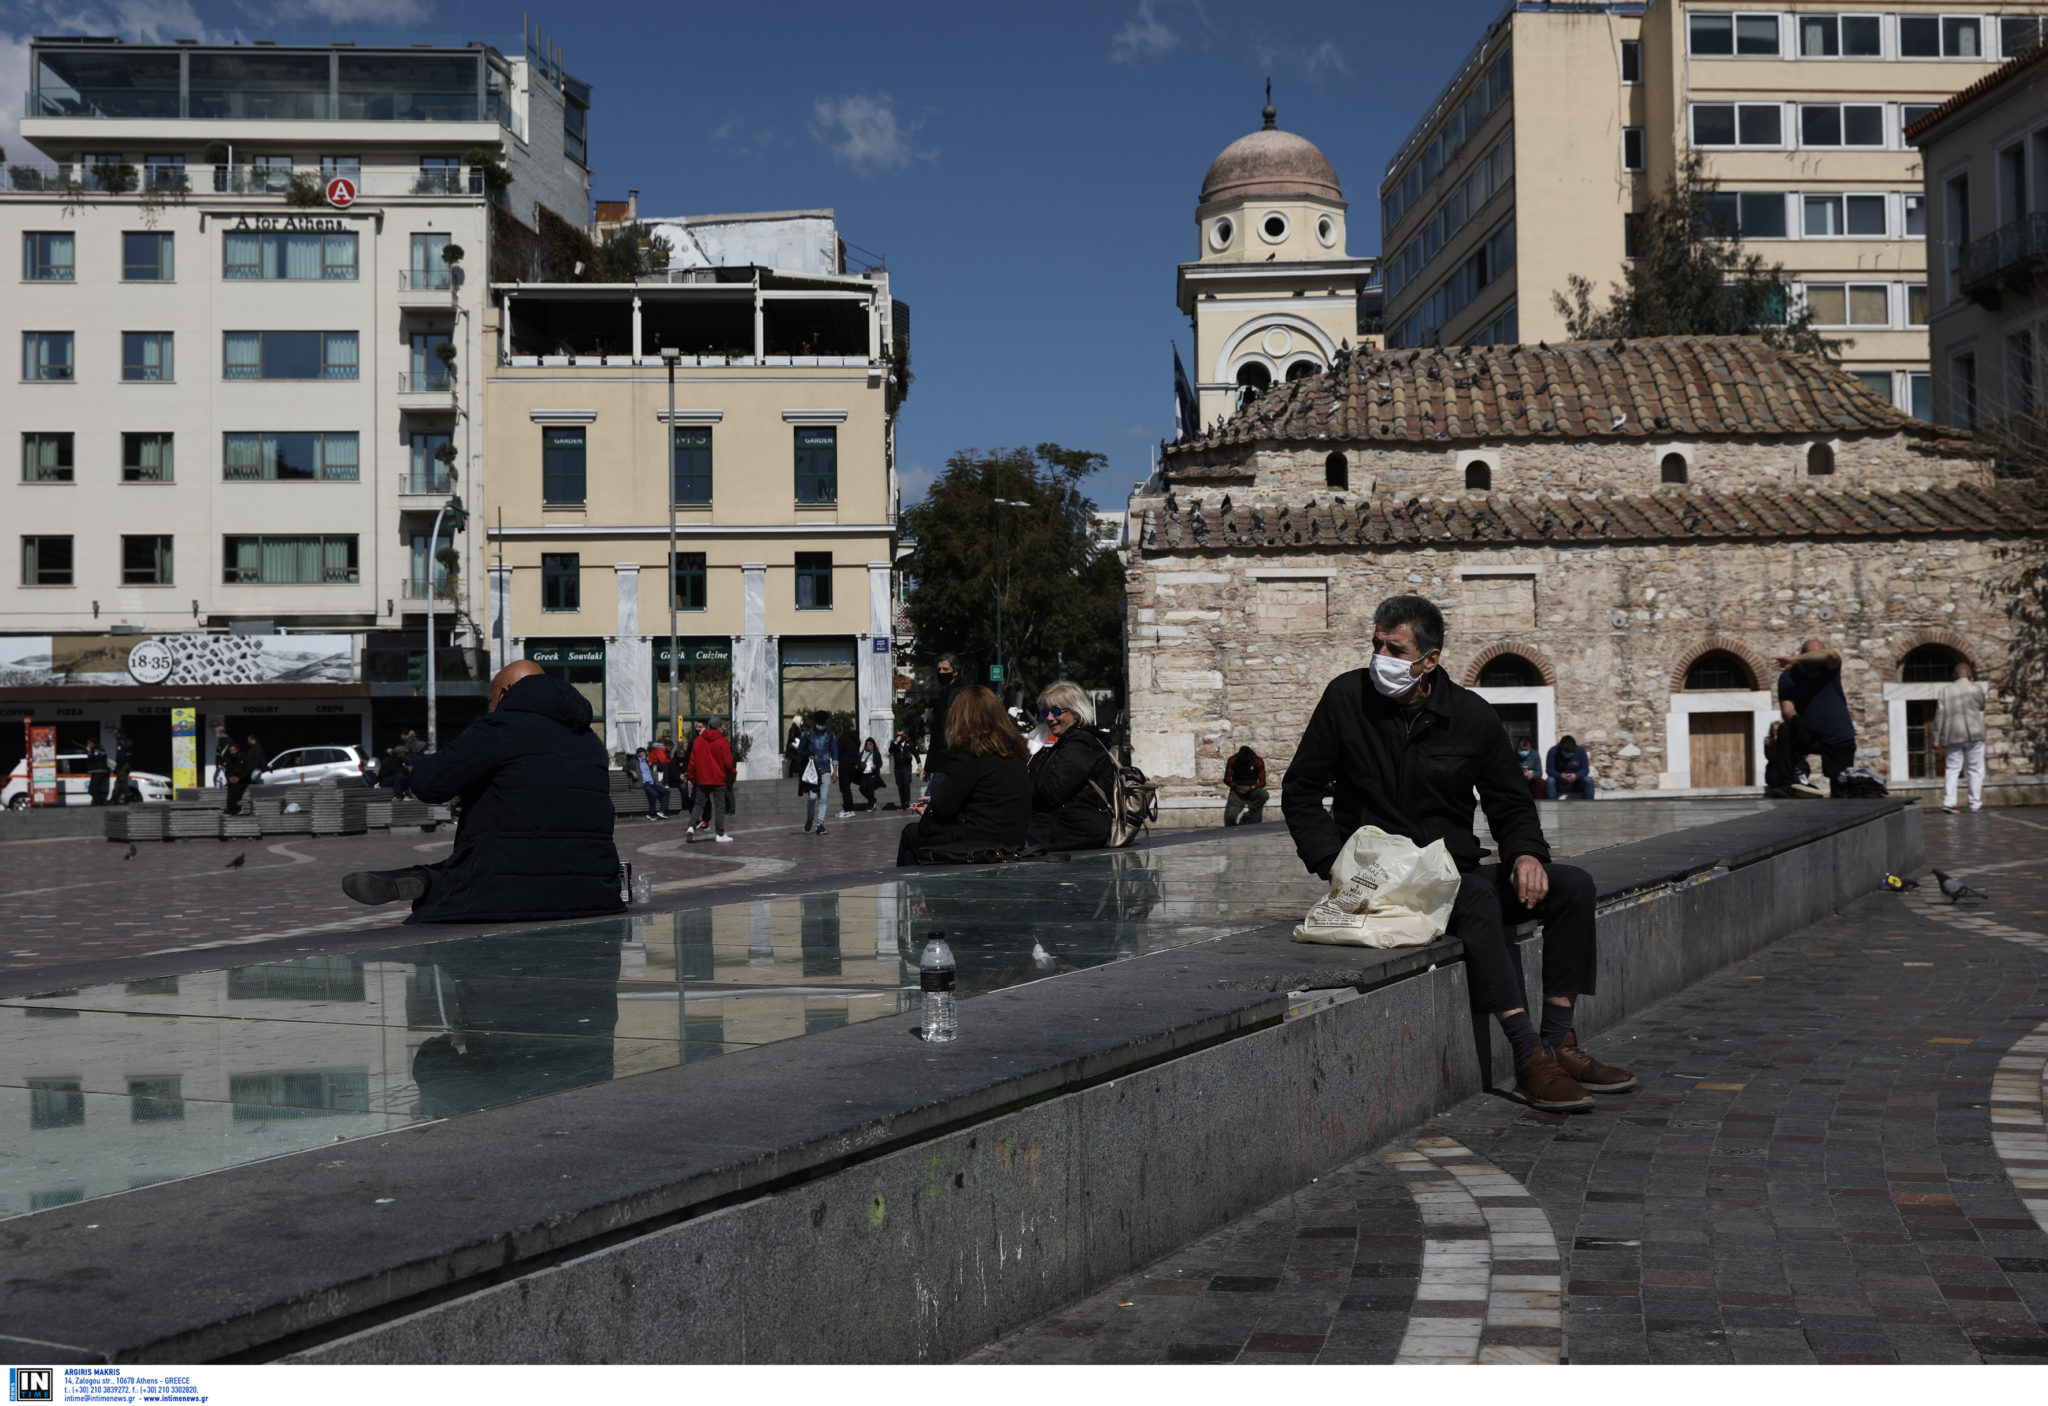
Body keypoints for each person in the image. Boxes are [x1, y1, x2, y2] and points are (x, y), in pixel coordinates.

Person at [1281, 594, 1634, 1113]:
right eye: (1376, 643)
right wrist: (1334, 867)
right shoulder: (1345, 698)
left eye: (1394, 647)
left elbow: (1510, 803)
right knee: (1474, 899)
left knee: (1573, 886)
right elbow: (1301, 790)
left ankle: (1560, 1041)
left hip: (1449, 870)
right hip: (1382, 880)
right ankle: (1528, 1056)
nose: (1379, 654)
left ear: (1430, 658)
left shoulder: (1471, 715)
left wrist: (1526, 857)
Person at [341, 660, 623, 922]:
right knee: (485, 859)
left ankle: (425, 879)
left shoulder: (501, 726)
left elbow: (427, 784)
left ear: (505, 693)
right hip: (597, 891)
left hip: (506, 894)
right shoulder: (590, 741)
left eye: (491, 701)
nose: (491, 708)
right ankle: (425, 877)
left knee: (431, 918)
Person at [898, 685, 1031, 865]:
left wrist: (933, 806)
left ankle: (911, 888)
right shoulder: (1013, 748)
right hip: (1013, 837)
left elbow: (946, 807)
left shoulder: (970, 752)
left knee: (911, 833)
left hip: (979, 842)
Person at [1026, 681, 1117, 851]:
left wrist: (1023, 787)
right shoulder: (1065, 742)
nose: (1049, 718)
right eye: (1045, 712)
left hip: (1073, 833)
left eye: (1055, 711)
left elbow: (1053, 791)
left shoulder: (1079, 743)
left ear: (1075, 711)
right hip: (1062, 830)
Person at [1768, 638, 1855, 795]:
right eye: (1811, 659)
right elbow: (1787, 709)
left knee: (1841, 791)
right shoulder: (1789, 677)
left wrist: (1794, 660)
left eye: (1817, 658)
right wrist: (1798, 722)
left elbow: (1831, 655)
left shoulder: (1830, 669)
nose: (1815, 666)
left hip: (1838, 735)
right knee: (1785, 730)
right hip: (1810, 734)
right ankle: (1786, 783)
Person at [1934, 659, 1988, 814]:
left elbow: (1939, 715)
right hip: (1975, 733)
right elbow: (1982, 705)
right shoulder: (1976, 689)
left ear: (1954, 675)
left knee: (1952, 768)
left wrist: (1935, 737)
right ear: (1970, 675)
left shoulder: (1945, 690)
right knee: (1975, 770)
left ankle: (1949, 802)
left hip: (1953, 734)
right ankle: (1975, 803)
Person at [684, 715, 735, 842]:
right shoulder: (722, 741)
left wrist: (691, 776)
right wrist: (732, 772)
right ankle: (720, 834)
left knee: (698, 804)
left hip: (702, 779)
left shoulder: (698, 741)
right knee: (719, 806)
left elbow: (692, 762)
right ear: (718, 727)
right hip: (718, 779)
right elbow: (728, 763)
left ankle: (691, 827)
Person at [922, 653, 965, 793]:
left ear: (956, 671)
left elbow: (942, 733)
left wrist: (930, 765)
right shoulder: (946, 693)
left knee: (933, 805)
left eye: (945, 669)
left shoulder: (956, 694)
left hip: (948, 761)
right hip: (945, 761)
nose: (941, 672)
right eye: (939, 669)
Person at [796, 712, 839, 834]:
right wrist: (807, 755)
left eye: (823, 722)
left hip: (825, 769)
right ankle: (810, 819)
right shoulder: (808, 734)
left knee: (823, 799)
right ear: (816, 722)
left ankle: (820, 824)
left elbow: (835, 752)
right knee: (812, 797)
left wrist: (835, 771)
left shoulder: (830, 735)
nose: (821, 724)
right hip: (812, 771)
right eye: (820, 722)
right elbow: (800, 750)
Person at [1222, 744, 1269, 827]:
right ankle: (1232, 831)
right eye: (1242, 759)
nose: (1243, 761)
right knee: (1230, 817)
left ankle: (1249, 814)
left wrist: (1251, 787)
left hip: (1252, 789)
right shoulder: (1233, 760)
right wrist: (1235, 786)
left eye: (1245, 759)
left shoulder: (1257, 761)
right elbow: (1227, 779)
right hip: (1237, 790)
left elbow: (1262, 782)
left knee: (1264, 795)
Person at [1545, 735, 1595, 800]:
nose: (1569, 754)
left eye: (1571, 752)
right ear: (1560, 748)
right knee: (1550, 781)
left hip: (1576, 782)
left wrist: (1576, 775)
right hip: (1559, 782)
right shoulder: (1553, 751)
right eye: (1566, 752)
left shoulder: (1581, 751)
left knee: (1588, 780)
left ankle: (1588, 805)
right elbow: (1549, 769)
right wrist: (1559, 776)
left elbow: (1585, 769)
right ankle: (1552, 805)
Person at [836, 720, 861, 818]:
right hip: (853, 765)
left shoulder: (842, 738)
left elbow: (838, 751)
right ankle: (848, 808)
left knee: (845, 788)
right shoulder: (855, 738)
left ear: (842, 728)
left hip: (844, 765)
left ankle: (849, 809)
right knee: (847, 788)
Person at [635, 747, 668, 821]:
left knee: (666, 791)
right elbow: (626, 767)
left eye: (645, 752)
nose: (644, 754)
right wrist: (632, 771)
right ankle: (651, 814)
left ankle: (662, 811)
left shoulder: (646, 762)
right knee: (654, 794)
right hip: (644, 783)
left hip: (652, 782)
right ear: (639, 754)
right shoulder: (636, 761)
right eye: (643, 753)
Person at [220, 736, 251, 816]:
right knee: (231, 787)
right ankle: (232, 808)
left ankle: (237, 807)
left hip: (243, 779)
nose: (232, 752)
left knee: (235, 787)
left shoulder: (244, 757)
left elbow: (247, 770)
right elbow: (227, 771)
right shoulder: (229, 759)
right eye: (230, 751)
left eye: (233, 750)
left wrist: (239, 778)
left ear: (237, 750)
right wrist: (229, 778)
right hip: (233, 780)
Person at [888, 729, 918, 810]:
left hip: (906, 767)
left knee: (906, 784)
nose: (899, 737)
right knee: (900, 785)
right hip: (897, 768)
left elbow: (916, 754)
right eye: (898, 735)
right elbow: (890, 750)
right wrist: (896, 742)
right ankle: (902, 802)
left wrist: (920, 765)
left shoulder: (909, 743)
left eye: (901, 735)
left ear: (904, 735)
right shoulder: (895, 744)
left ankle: (907, 802)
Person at [857, 736, 884, 810]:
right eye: (867, 744)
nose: (868, 745)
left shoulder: (875, 752)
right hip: (863, 773)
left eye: (870, 744)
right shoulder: (862, 752)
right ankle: (872, 799)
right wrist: (857, 765)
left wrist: (876, 766)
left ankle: (871, 805)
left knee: (870, 789)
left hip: (872, 773)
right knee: (862, 788)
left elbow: (880, 762)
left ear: (873, 744)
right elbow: (858, 761)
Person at [112, 727, 134, 804]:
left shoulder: (121, 742)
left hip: (123, 765)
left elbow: (120, 755)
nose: (115, 735)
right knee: (121, 781)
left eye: (116, 733)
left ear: (119, 733)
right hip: (127, 764)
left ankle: (123, 797)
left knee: (121, 781)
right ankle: (117, 798)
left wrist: (118, 765)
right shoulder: (128, 741)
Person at [85, 739, 111, 806]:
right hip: (98, 772)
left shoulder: (96, 751)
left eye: (89, 743)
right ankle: (99, 802)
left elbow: (92, 759)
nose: (88, 744)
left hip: (98, 772)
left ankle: (101, 802)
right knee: (95, 790)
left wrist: (89, 752)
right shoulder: (100, 749)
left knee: (92, 790)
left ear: (93, 743)